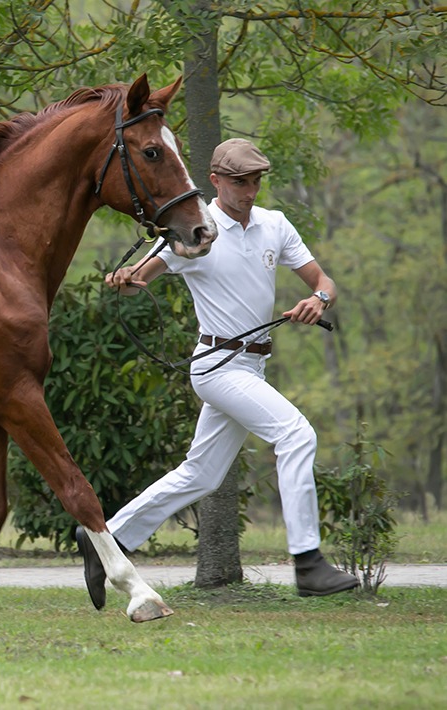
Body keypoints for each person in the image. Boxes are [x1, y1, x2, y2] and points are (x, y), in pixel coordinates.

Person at [77, 138, 358, 607]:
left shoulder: (275, 225)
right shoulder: (195, 232)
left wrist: (318, 301)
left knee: (200, 475)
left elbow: (324, 282)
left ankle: (107, 539)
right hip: (216, 366)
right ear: (215, 181)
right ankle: (308, 563)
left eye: (255, 181)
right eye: (239, 182)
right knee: (296, 434)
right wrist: (123, 280)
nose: (249, 190)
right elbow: (137, 281)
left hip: (253, 365)